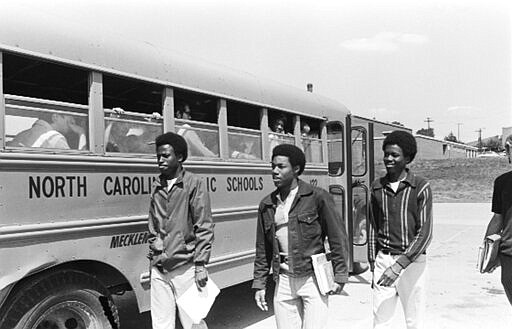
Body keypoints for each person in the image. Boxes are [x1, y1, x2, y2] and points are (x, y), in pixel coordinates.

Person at [252, 144, 349, 329]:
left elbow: (337, 237)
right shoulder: (267, 204)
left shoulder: (318, 197)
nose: (274, 171)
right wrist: (260, 283)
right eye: (273, 166)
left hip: (312, 278)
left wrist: (340, 274)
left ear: (296, 169)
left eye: (281, 167)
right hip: (284, 280)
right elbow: (262, 248)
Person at [147, 132, 215, 329]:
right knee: (161, 323)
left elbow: (204, 225)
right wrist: (154, 243)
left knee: (193, 322)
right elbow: (152, 222)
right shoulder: (157, 185)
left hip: (186, 266)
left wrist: (201, 265)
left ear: (180, 157)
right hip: (159, 265)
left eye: (166, 156)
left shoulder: (194, 184)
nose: (160, 160)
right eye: (158, 156)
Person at [368, 130, 433, 329]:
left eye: (395, 155)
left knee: (414, 322)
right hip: (384, 260)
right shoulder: (377, 187)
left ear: (407, 158)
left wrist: (398, 266)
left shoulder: (420, 187)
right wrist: (374, 263)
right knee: (381, 321)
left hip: (412, 263)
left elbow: (425, 233)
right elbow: (373, 226)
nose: (388, 159)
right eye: (386, 154)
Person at [484, 133, 512, 305]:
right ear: (508, 151)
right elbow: (497, 219)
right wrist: (489, 253)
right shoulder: (502, 182)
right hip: (509, 255)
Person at [8, 112, 86, 149]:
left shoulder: (21, 134)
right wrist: (82, 133)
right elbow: (79, 168)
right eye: (70, 120)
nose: (74, 122)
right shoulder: (55, 138)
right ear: (55, 117)